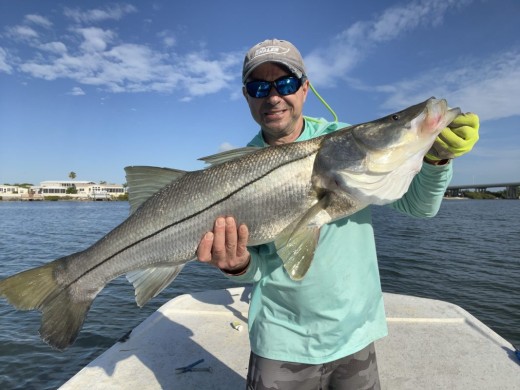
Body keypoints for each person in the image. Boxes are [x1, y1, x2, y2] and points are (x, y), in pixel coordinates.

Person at [197, 39, 479, 390]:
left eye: (285, 84)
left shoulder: (340, 141)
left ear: (304, 88)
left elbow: (419, 207)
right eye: (258, 87)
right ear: (246, 95)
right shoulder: (236, 168)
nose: (273, 97)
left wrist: (435, 159)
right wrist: (236, 264)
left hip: (355, 334)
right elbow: (258, 268)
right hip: (281, 341)